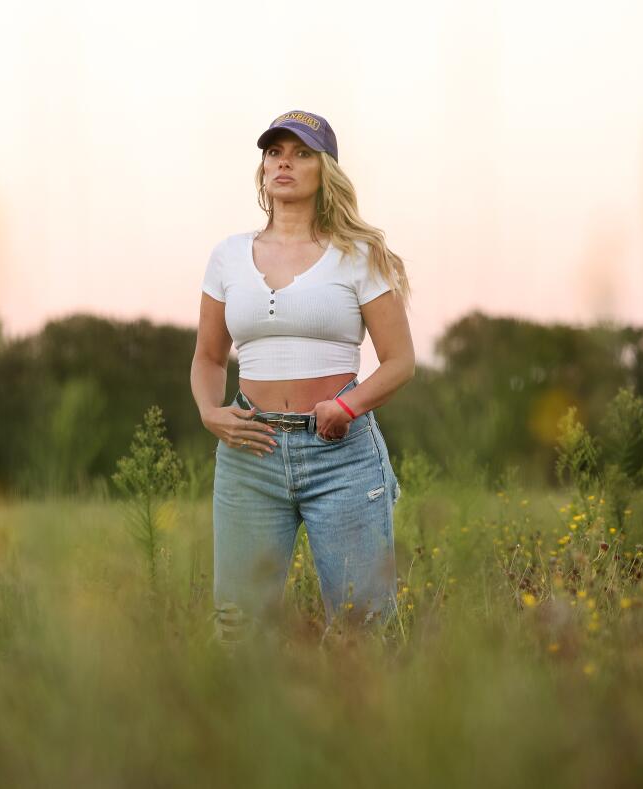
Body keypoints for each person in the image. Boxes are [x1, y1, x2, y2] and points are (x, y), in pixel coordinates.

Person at [190, 109, 416, 644]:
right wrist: (209, 412)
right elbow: (208, 358)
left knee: (362, 628)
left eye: (301, 153)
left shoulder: (359, 255)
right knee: (238, 625)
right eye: (274, 152)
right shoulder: (227, 257)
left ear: (326, 171)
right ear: (263, 168)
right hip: (251, 453)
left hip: (341, 456)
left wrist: (349, 406)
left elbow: (400, 360)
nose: (284, 163)